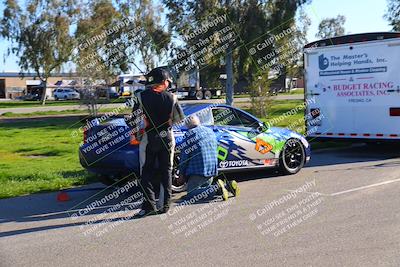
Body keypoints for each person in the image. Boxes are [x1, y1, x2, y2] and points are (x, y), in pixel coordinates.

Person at [132, 67, 185, 217]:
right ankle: (165, 205)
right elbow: (179, 119)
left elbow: (134, 120)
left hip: (149, 138)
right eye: (168, 81)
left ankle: (148, 206)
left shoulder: (141, 97)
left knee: (146, 172)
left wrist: (138, 135)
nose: (169, 83)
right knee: (167, 171)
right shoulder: (172, 97)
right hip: (167, 137)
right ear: (163, 82)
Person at [178, 115, 240, 202]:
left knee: (191, 194)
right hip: (212, 170)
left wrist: (181, 174)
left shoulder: (189, 134)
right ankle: (228, 186)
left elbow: (184, 157)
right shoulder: (209, 131)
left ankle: (217, 189)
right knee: (204, 190)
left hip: (198, 171)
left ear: (187, 125)